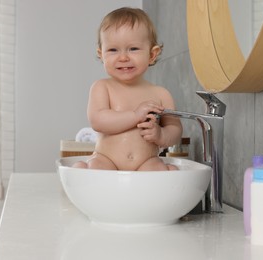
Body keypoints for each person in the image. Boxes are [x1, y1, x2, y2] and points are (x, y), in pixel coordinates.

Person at [73, 7, 182, 171]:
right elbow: (98, 120)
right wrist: (135, 115)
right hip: (107, 160)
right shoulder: (102, 87)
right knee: (95, 167)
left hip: (146, 162)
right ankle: (83, 170)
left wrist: (161, 135)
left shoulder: (161, 94)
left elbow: (175, 129)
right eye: (113, 50)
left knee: (162, 171)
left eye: (133, 49)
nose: (123, 57)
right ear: (101, 54)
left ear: (152, 55)